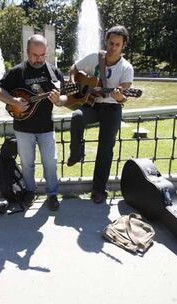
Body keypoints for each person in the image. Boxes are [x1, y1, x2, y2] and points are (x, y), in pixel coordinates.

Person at [0, 34, 68, 211]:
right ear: (27, 52)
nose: (38, 59)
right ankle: (30, 191)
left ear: (47, 52)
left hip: (46, 127)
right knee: (27, 163)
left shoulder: (53, 72)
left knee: (50, 162)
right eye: (34, 55)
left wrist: (58, 100)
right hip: (23, 127)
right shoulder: (17, 71)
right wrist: (13, 101)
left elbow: (65, 98)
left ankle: (52, 194)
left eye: (42, 55)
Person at [67, 25, 134, 204]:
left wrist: (120, 97)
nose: (113, 47)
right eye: (111, 43)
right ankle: (76, 152)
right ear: (107, 41)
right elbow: (74, 68)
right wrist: (75, 84)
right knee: (77, 117)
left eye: (117, 44)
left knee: (105, 149)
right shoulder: (94, 58)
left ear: (123, 45)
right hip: (93, 103)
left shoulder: (126, 68)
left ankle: (99, 190)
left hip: (112, 108)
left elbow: (124, 96)